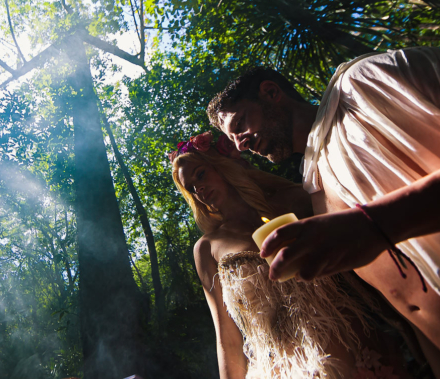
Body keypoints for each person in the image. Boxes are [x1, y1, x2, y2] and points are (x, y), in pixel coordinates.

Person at [207, 47, 440, 378]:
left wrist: (375, 224)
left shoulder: (363, 84)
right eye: (233, 139)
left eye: (240, 124)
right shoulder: (318, 192)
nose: (240, 144)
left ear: (271, 93)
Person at [170, 131, 412, 379]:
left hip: (354, 346)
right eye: (191, 187)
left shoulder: (295, 201)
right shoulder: (207, 248)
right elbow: (227, 337)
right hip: (284, 368)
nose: (198, 187)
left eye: (201, 174)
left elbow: (362, 258)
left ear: (222, 166)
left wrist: (405, 323)